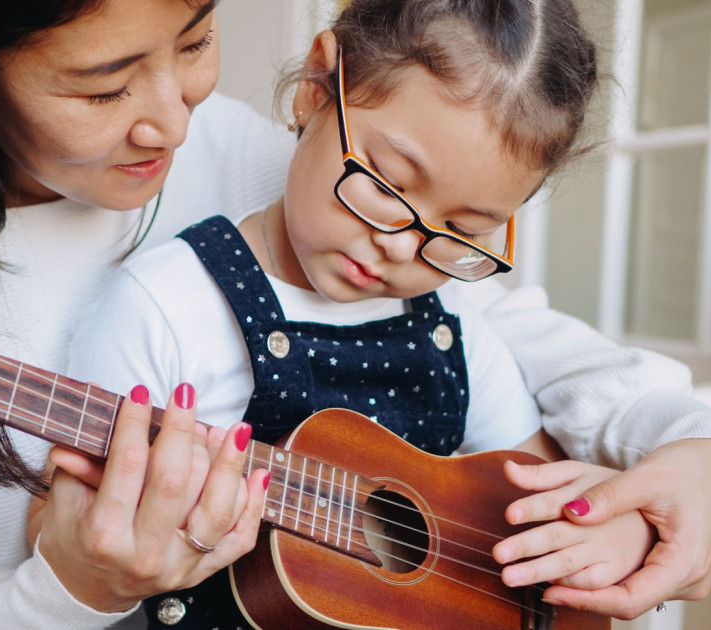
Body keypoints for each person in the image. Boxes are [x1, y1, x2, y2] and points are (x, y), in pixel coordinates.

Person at [0, 0, 711, 627]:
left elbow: (503, 345)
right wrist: (64, 591)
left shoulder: (283, 160)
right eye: (102, 88)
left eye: (194, 37)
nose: (175, 120)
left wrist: (700, 450)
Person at [63, 8, 659, 622]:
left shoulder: (455, 329)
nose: (401, 245)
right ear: (316, 88)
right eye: (387, 184)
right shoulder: (166, 308)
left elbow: (537, 502)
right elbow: (64, 538)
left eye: (462, 229)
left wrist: (605, 534)